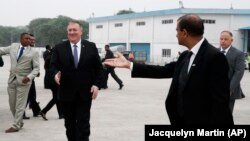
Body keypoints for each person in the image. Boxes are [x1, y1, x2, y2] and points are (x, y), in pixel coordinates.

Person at [104, 14, 234, 125]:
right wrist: (129, 65)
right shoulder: (186, 56)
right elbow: (163, 70)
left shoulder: (214, 57)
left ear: (184, 33)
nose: (176, 34)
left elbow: (220, 103)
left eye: (177, 30)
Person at [50, 21, 103, 141]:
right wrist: (55, 74)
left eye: (75, 30)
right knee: (69, 125)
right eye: (70, 30)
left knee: (83, 124)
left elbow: (99, 69)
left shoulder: (91, 46)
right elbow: (52, 66)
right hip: (66, 93)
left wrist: (96, 84)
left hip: (85, 93)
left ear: (81, 32)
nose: (72, 32)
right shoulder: (59, 48)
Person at [0, 33, 40, 132]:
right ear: (21, 39)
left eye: (30, 39)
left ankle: (16, 125)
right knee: (12, 104)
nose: (29, 40)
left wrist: (30, 77)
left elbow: (36, 68)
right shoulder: (13, 46)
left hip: (24, 81)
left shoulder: (34, 52)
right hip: (12, 79)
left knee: (20, 105)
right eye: (26, 38)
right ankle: (20, 121)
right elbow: (1, 50)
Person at [219, 30, 245, 113]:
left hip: (229, 90)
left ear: (231, 40)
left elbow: (239, 72)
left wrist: (229, 89)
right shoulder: (214, 52)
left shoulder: (238, 54)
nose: (223, 41)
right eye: (221, 39)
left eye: (226, 39)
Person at [39, 46, 63, 120]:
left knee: (56, 97)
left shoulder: (49, 58)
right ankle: (44, 111)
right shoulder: (54, 59)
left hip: (50, 81)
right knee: (56, 98)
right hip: (54, 81)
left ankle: (61, 114)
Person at [23, 33, 41, 119]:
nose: (33, 41)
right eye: (31, 40)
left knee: (31, 95)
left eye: (34, 40)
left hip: (31, 77)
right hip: (26, 77)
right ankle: (37, 111)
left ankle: (36, 111)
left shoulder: (33, 50)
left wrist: (36, 72)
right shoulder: (25, 50)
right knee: (29, 95)